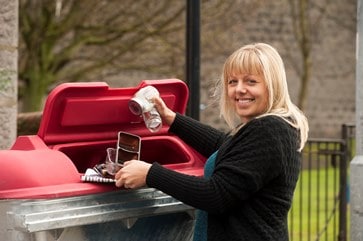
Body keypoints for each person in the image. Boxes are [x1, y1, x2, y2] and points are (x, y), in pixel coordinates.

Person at [115, 42, 309, 241]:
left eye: (251, 81)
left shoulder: (268, 130)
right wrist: (172, 118)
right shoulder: (281, 126)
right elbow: (227, 147)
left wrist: (150, 174)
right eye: (233, 82)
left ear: (272, 85)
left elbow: (217, 195)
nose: (239, 90)